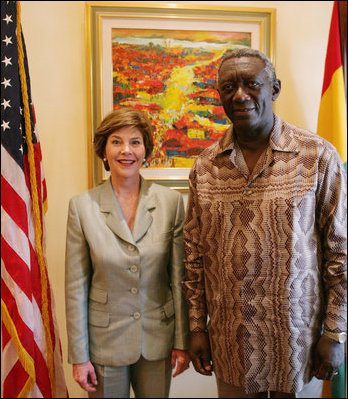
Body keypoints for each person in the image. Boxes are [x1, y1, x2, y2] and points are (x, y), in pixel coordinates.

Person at [182, 47, 347, 398]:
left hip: (299, 347)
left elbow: (341, 252)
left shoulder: (317, 156)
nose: (239, 95)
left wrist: (334, 333)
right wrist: (197, 327)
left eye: (251, 84)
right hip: (230, 343)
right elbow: (194, 255)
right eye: (229, 87)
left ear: (274, 89)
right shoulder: (205, 167)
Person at [65, 107, 190, 398]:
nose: (126, 150)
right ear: (104, 150)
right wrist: (79, 356)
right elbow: (75, 288)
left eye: (135, 141)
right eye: (116, 141)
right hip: (104, 343)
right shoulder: (82, 207)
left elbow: (179, 279)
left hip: (157, 340)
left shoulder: (171, 203)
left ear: (145, 149)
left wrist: (182, 341)